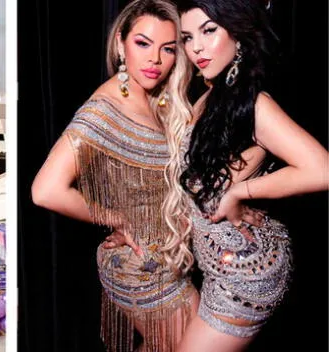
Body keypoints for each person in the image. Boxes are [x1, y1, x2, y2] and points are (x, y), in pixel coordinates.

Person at [158, 1, 329, 350]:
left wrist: (240, 193)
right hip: (218, 264)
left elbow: (322, 170)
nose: (196, 48)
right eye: (188, 37)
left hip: (246, 269)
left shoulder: (255, 103)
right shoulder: (212, 98)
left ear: (238, 33)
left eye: (209, 31)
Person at [31, 1, 200, 350]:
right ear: (121, 44)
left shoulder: (158, 99)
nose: (155, 59)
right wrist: (117, 218)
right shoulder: (104, 108)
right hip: (138, 264)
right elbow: (45, 190)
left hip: (167, 257)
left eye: (168, 48)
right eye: (142, 43)